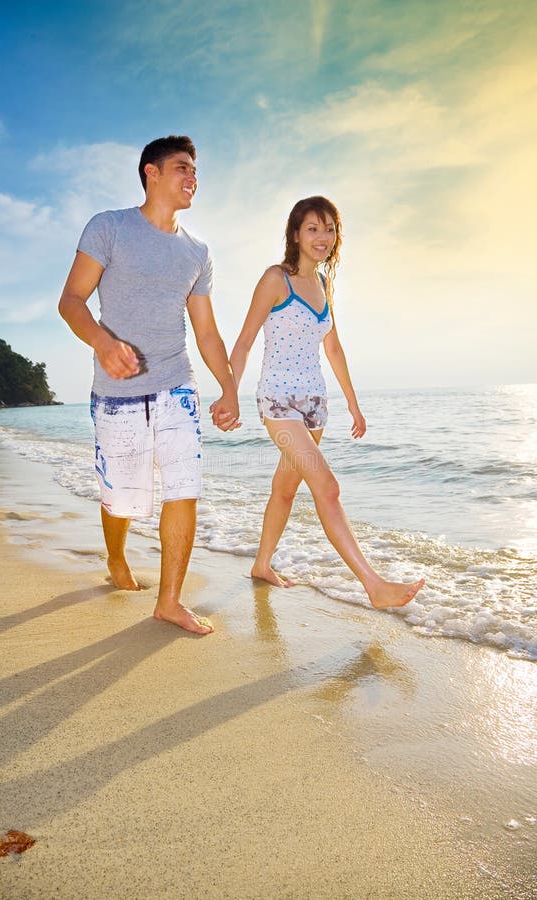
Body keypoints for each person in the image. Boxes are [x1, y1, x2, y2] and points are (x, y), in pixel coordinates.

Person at [58, 135, 239, 635]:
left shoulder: (197, 251)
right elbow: (71, 300)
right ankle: (116, 555)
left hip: (177, 384)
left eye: (196, 172)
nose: (192, 179)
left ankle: (170, 601)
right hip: (116, 394)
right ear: (151, 172)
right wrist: (102, 342)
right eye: (182, 168)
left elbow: (206, 330)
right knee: (123, 499)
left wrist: (227, 388)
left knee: (184, 487)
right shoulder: (109, 227)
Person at [225, 196, 424, 608]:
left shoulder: (323, 284)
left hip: (315, 405)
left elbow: (333, 348)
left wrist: (353, 404)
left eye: (329, 229)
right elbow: (244, 342)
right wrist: (231, 392)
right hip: (278, 401)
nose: (322, 237)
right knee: (328, 488)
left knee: (284, 490)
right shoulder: (275, 279)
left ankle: (261, 564)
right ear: (295, 234)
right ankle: (373, 584)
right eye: (312, 228)